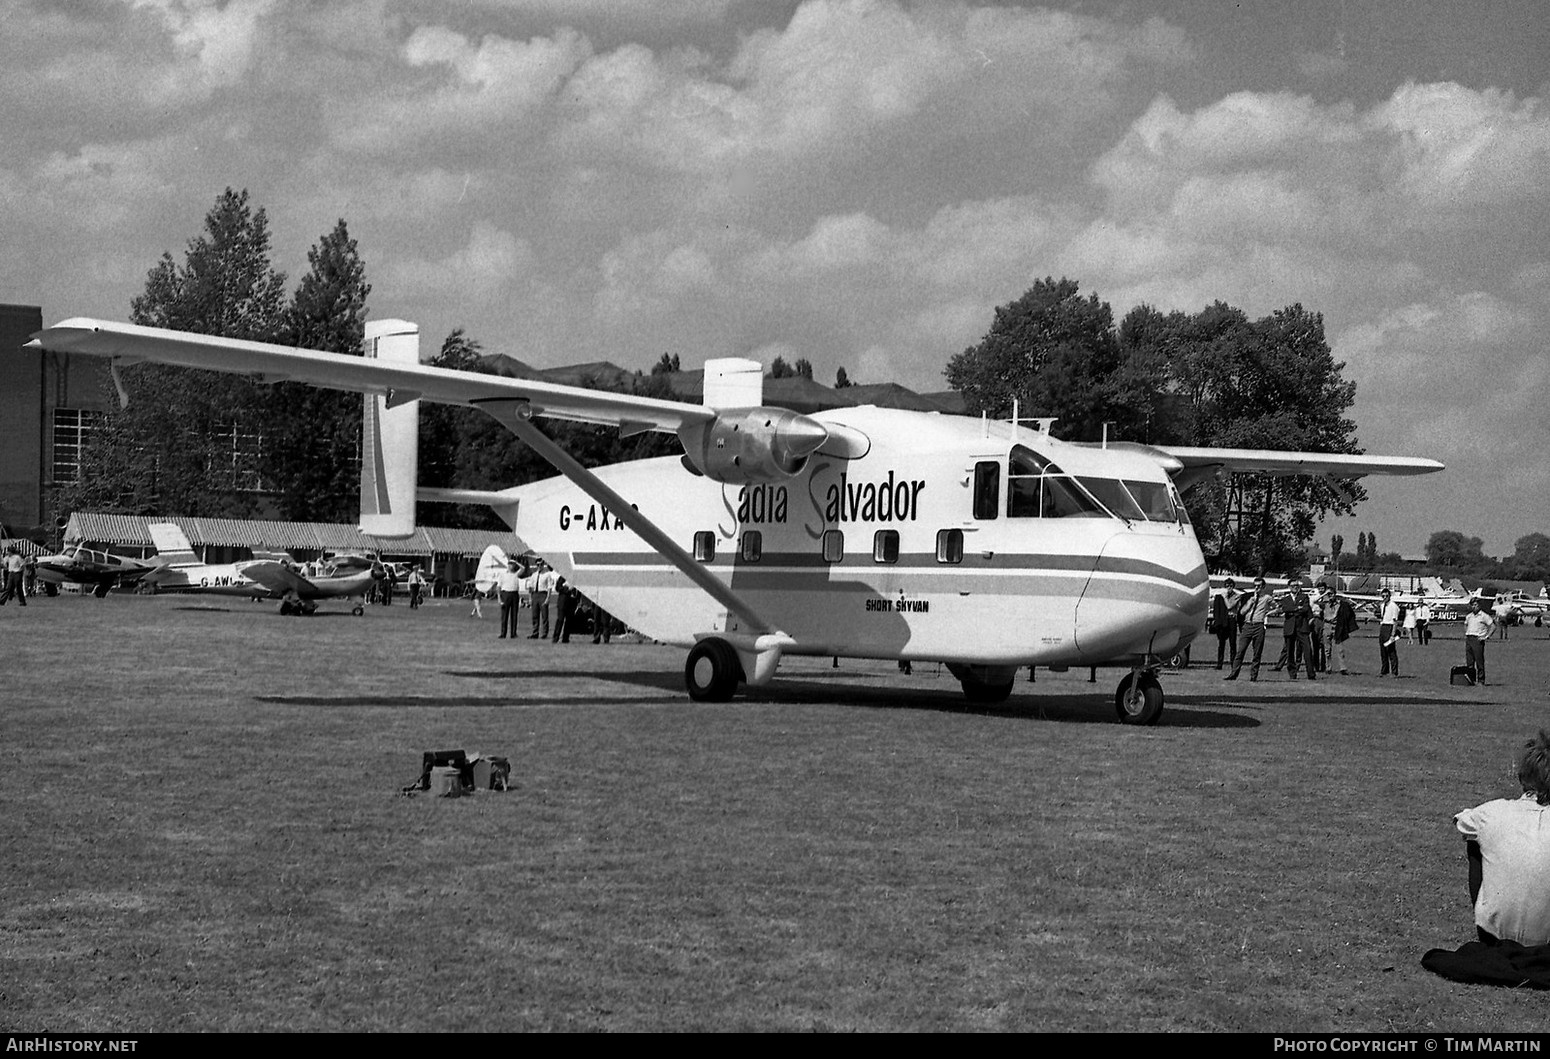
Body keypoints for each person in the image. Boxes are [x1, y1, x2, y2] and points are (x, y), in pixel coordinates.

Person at [1454, 730, 1550, 945]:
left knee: (1475, 841)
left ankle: (1493, 925)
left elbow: (1461, 821)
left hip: (1494, 939)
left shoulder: (1491, 813)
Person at [1225, 577, 1276, 681]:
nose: (1257, 588)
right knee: (1240, 651)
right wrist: (1250, 603)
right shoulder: (1250, 598)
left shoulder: (1267, 598)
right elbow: (1242, 612)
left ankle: (1253, 676)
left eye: (1259, 586)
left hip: (1259, 625)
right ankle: (1233, 674)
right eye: (1255, 586)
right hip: (1248, 625)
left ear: (1263, 587)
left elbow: (1278, 607)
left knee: (1257, 652)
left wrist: (1268, 613)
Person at [1276, 580, 1316, 680]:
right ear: (1289, 587)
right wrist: (1296, 608)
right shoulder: (1285, 599)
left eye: (1297, 585)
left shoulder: (1304, 597)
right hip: (1290, 628)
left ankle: (1311, 674)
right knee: (1290, 652)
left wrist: (1294, 610)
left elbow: (1305, 609)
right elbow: (1285, 609)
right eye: (1293, 586)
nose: (1295, 587)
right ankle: (1292, 673)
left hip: (1302, 627)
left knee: (1307, 650)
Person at [1464, 597, 1496, 686]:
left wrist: (1486, 636)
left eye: (1476, 605)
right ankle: (1471, 680)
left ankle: (1481, 680)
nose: (1474, 607)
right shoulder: (1469, 616)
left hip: (1478, 639)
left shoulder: (1484, 616)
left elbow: (1493, 626)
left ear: (1479, 606)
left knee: (1479, 661)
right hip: (1469, 639)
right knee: (1469, 662)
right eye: (1473, 605)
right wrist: (1467, 633)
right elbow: (1466, 624)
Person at [1211, 579, 1239, 670]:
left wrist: (1225, 597)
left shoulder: (1237, 596)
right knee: (1221, 644)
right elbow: (1216, 610)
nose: (1229, 588)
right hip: (1223, 622)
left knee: (1232, 643)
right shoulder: (1219, 597)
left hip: (1232, 620)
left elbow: (1230, 606)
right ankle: (1219, 664)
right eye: (1227, 586)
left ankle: (1233, 663)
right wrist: (1217, 622)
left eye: (1230, 586)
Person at [1329, 591, 1358, 675]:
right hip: (1327, 626)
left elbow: (1350, 613)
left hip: (1338, 627)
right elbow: (1314, 602)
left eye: (1332, 594)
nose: (1331, 596)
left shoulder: (1341, 605)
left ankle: (1343, 668)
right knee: (1327, 649)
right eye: (1329, 594)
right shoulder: (1325, 604)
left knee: (1340, 649)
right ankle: (1328, 667)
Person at [497, 559, 524, 640]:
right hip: (505, 594)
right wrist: (499, 598)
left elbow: (523, 568)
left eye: (512, 565)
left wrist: (516, 562)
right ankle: (503, 633)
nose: (511, 566)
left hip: (514, 594)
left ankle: (513, 633)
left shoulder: (516, 574)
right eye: (510, 565)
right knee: (504, 615)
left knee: (514, 615)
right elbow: (499, 586)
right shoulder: (503, 575)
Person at [1378, 589, 1401, 677]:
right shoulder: (1382, 605)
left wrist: (1392, 635)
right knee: (1383, 651)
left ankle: (1394, 672)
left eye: (1386, 596)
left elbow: (1395, 621)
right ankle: (1384, 670)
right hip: (1383, 627)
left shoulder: (1393, 606)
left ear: (1389, 596)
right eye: (1383, 596)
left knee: (1391, 651)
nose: (1384, 598)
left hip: (1390, 627)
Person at [529, 560, 554, 639]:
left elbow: (549, 587)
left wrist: (548, 598)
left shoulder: (547, 575)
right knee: (535, 615)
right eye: (538, 565)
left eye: (540, 565)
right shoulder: (533, 575)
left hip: (543, 594)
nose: (539, 566)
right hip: (535, 594)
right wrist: (530, 598)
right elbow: (531, 587)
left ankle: (544, 633)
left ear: (543, 565)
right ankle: (535, 632)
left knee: (544, 615)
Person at [551, 578, 576, 643]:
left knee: (569, 621)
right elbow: (558, 588)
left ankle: (565, 638)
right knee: (560, 619)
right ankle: (555, 637)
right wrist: (567, 588)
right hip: (563, 602)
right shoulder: (562, 577)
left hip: (572, 602)